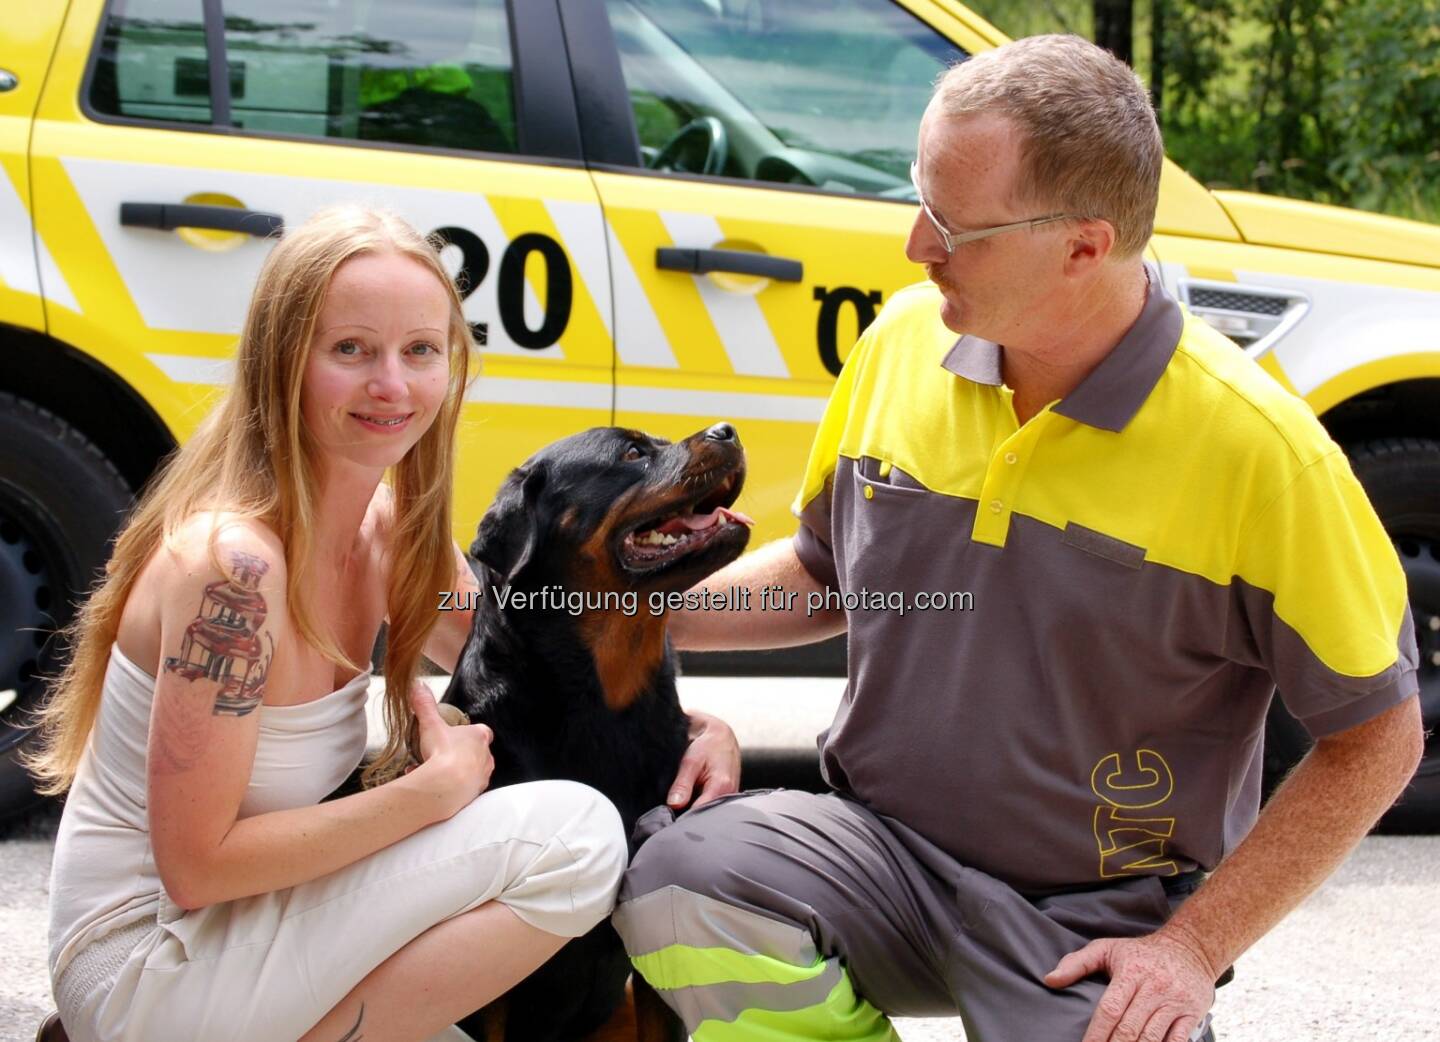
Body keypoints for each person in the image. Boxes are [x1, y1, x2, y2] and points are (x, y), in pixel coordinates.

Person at [610, 34, 1423, 1042]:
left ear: (1086, 245)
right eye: (920, 201)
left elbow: (1378, 735)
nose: (917, 244)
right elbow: (827, 574)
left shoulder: (1262, 452)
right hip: (874, 855)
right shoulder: (900, 343)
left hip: (1097, 912)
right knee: (680, 880)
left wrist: (1192, 949)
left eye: (955, 223)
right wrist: (622, 611)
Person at [28, 205, 739, 1042]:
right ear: (281, 365)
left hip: (260, 943)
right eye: (351, 350)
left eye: (420, 351)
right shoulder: (234, 569)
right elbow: (196, 867)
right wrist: (428, 796)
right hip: (147, 969)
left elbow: (541, 664)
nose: (392, 386)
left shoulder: (393, 538)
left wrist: (697, 727)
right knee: (575, 834)